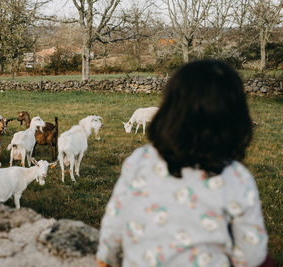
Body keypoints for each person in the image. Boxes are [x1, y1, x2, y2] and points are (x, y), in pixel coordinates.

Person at [96, 60, 268, 267]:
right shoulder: (237, 177)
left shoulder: (139, 161)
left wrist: (106, 259)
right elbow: (252, 255)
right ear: (235, 119)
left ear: (168, 111)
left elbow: (113, 228)